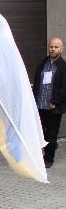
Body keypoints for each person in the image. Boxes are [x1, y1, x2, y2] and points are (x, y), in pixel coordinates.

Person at [32, 37, 66, 168]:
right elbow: (36, 84)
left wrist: (55, 101)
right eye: (51, 47)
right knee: (41, 133)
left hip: (53, 107)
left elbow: (64, 88)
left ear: (61, 49)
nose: (53, 49)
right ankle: (43, 152)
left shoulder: (63, 67)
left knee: (51, 134)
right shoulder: (42, 64)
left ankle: (49, 159)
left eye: (56, 47)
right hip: (40, 105)